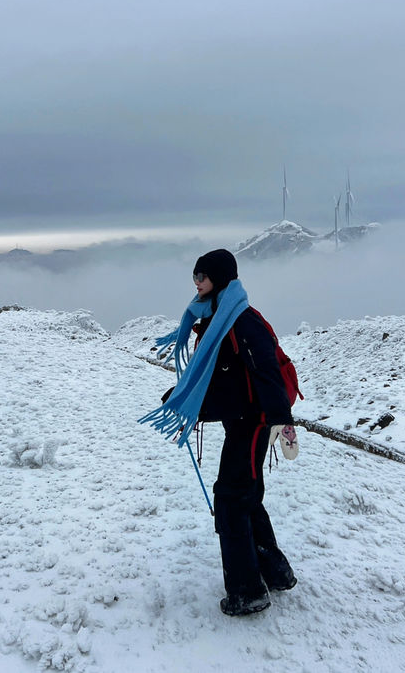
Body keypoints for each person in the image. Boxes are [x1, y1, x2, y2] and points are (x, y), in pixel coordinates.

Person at [141, 248, 296, 616]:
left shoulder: (241, 320)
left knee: (231, 497)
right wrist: (183, 400)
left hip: (256, 423)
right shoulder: (215, 317)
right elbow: (220, 379)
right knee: (245, 495)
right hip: (244, 421)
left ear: (221, 278)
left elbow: (266, 374)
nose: (196, 283)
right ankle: (274, 571)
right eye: (194, 276)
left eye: (202, 276)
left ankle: (247, 591)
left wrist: (281, 421)